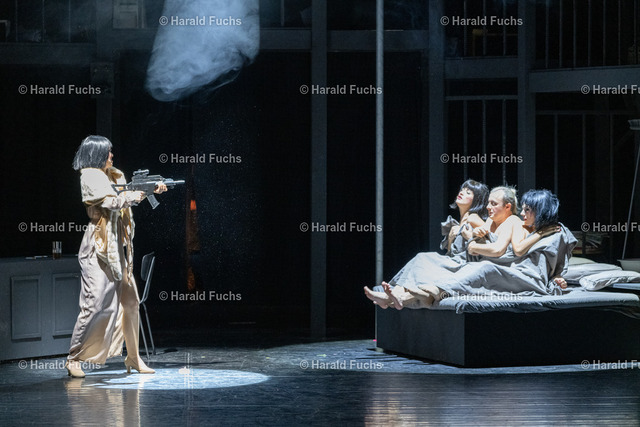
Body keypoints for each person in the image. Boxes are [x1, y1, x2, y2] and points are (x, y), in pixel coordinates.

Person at [65, 135, 166, 378]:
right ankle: (73, 358)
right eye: (108, 152)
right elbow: (112, 202)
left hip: (117, 245)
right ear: (97, 154)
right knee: (94, 303)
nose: (112, 155)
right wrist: (136, 195)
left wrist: (150, 189)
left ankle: (133, 357)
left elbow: (125, 198)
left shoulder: (113, 176)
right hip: (98, 247)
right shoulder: (90, 176)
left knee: (131, 301)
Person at [377, 188, 573, 310]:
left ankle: (399, 298)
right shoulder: (527, 227)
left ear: (539, 210)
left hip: (526, 278)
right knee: (425, 258)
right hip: (508, 269)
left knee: (482, 268)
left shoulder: (555, 232)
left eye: (527, 210)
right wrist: (472, 238)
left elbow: (531, 256)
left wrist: (557, 277)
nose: (522, 213)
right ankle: (395, 295)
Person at [364, 179, 489, 308]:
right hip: (452, 264)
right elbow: (452, 254)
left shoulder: (473, 218)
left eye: (468, 192)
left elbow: (490, 238)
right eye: (462, 189)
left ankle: (390, 298)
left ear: (476, 201)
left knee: (422, 258)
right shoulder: (456, 224)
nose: (462, 192)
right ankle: (394, 297)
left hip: (463, 267)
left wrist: (469, 237)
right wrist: (451, 238)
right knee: (421, 270)